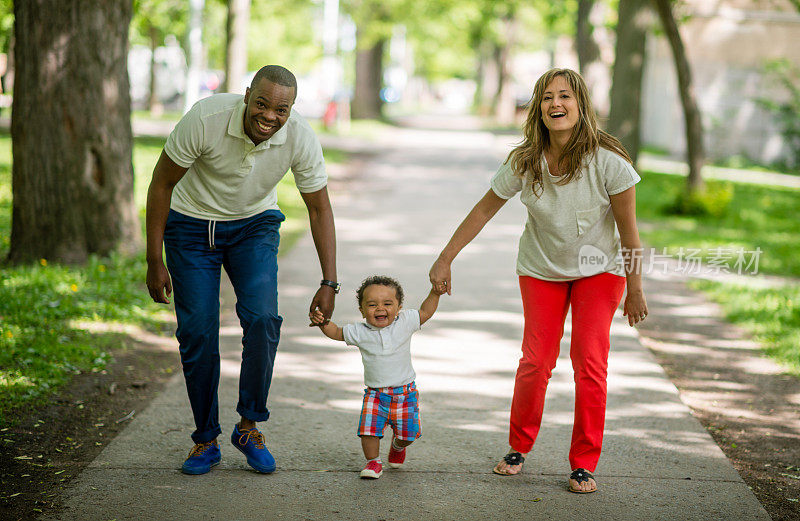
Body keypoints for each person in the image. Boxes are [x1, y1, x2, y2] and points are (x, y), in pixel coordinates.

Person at [429, 68, 648, 494]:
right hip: (541, 268)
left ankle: (583, 463)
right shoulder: (525, 161)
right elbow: (482, 211)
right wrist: (445, 257)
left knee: (589, 362)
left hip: (599, 270)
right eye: (546, 98)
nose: (555, 104)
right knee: (536, 361)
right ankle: (518, 446)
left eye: (564, 96)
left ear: (581, 105)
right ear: (538, 108)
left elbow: (630, 234)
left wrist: (635, 288)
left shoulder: (610, 162)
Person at [145, 65, 338, 475]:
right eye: (262, 104)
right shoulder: (206, 118)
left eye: (281, 109)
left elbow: (319, 207)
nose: (270, 116)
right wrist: (153, 259)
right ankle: (205, 440)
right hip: (190, 226)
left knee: (263, 319)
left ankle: (249, 427)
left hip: (253, 225)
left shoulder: (299, 135)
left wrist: (329, 282)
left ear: (292, 110)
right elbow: (161, 184)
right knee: (197, 330)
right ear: (247, 95)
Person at [311, 275, 444, 479]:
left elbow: (426, 311)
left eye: (388, 303)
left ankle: (398, 446)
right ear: (362, 310)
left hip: (405, 394)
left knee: (408, 435)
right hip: (375, 395)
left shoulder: (405, 322)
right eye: (372, 305)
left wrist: (435, 293)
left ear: (399, 307)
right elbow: (336, 332)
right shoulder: (359, 331)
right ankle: (373, 462)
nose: (380, 308)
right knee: (369, 432)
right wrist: (323, 321)